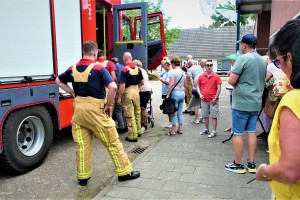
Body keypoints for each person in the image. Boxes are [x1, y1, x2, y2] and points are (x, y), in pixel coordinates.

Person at [55, 41, 140, 186]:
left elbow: (58, 80)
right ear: (95, 53)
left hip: (79, 112)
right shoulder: (99, 69)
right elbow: (113, 87)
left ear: (83, 52)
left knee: (82, 145)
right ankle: (125, 172)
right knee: (112, 142)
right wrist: (108, 105)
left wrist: (72, 92)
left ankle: (83, 178)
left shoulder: (72, 68)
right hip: (96, 111)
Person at [255, 18, 300, 199]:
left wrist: (264, 171)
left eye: (279, 62)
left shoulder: (294, 99)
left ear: (289, 58)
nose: (280, 68)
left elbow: (289, 170)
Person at [225, 34, 266, 174]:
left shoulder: (243, 59)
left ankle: (238, 164)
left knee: (237, 133)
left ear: (244, 45)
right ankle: (252, 163)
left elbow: (231, 81)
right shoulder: (262, 60)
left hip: (242, 102)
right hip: (256, 102)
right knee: (251, 132)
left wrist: (232, 74)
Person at [117, 52, 144, 142]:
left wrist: (119, 97)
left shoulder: (124, 70)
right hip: (136, 91)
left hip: (128, 92)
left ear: (124, 59)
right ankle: (139, 131)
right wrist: (136, 88)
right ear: (131, 58)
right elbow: (142, 82)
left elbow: (122, 85)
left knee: (129, 115)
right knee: (137, 111)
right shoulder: (138, 69)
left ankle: (132, 136)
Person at [197, 61, 222, 138]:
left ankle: (214, 131)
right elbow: (198, 86)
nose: (209, 67)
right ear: (205, 67)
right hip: (204, 99)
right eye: (207, 65)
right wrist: (200, 94)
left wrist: (216, 97)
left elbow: (219, 88)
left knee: (214, 116)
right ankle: (206, 129)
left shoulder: (216, 76)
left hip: (213, 100)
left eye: (211, 65)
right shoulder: (201, 76)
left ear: (212, 66)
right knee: (205, 115)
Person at [149, 59, 172, 128]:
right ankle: (170, 121)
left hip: (168, 92)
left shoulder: (170, 72)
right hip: (165, 92)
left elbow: (167, 82)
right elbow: (157, 74)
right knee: (167, 108)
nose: (162, 67)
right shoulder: (166, 71)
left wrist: (160, 78)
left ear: (167, 65)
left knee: (169, 108)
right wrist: (149, 73)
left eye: (163, 66)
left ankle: (171, 122)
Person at [166, 56, 186, 135]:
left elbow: (171, 84)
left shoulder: (172, 72)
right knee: (180, 112)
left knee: (174, 112)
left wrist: (168, 93)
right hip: (182, 93)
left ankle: (173, 130)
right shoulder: (183, 72)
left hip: (175, 93)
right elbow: (185, 84)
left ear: (173, 63)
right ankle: (180, 129)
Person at [133, 59, 151, 134]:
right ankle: (142, 124)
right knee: (142, 108)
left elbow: (142, 82)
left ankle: (145, 126)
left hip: (143, 91)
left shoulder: (139, 71)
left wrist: (136, 87)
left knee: (142, 109)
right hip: (146, 91)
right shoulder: (143, 70)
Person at [187, 59, 206, 123]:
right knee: (203, 102)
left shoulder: (189, 69)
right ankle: (203, 118)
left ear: (189, 65)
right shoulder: (200, 67)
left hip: (196, 85)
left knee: (196, 103)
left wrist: (193, 86)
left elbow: (191, 78)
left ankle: (197, 119)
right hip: (204, 85)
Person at [111, 57, 127, 133]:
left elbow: (114, 79)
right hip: (125, 89)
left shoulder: (114, 68)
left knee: (118, 110)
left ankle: (121, 127)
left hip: (118, 89)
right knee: (122, 109)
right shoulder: (123, 67)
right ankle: (125, 125)